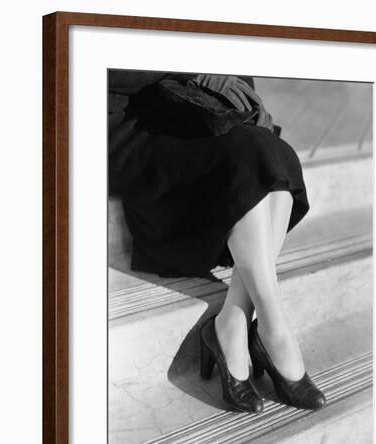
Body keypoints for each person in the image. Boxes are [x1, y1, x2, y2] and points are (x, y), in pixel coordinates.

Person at [108, 70, 326, 415]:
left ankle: (234, 322)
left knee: (277, 156)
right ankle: (275, 329)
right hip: (130, 117)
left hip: (195, 106)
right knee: (248, 158)